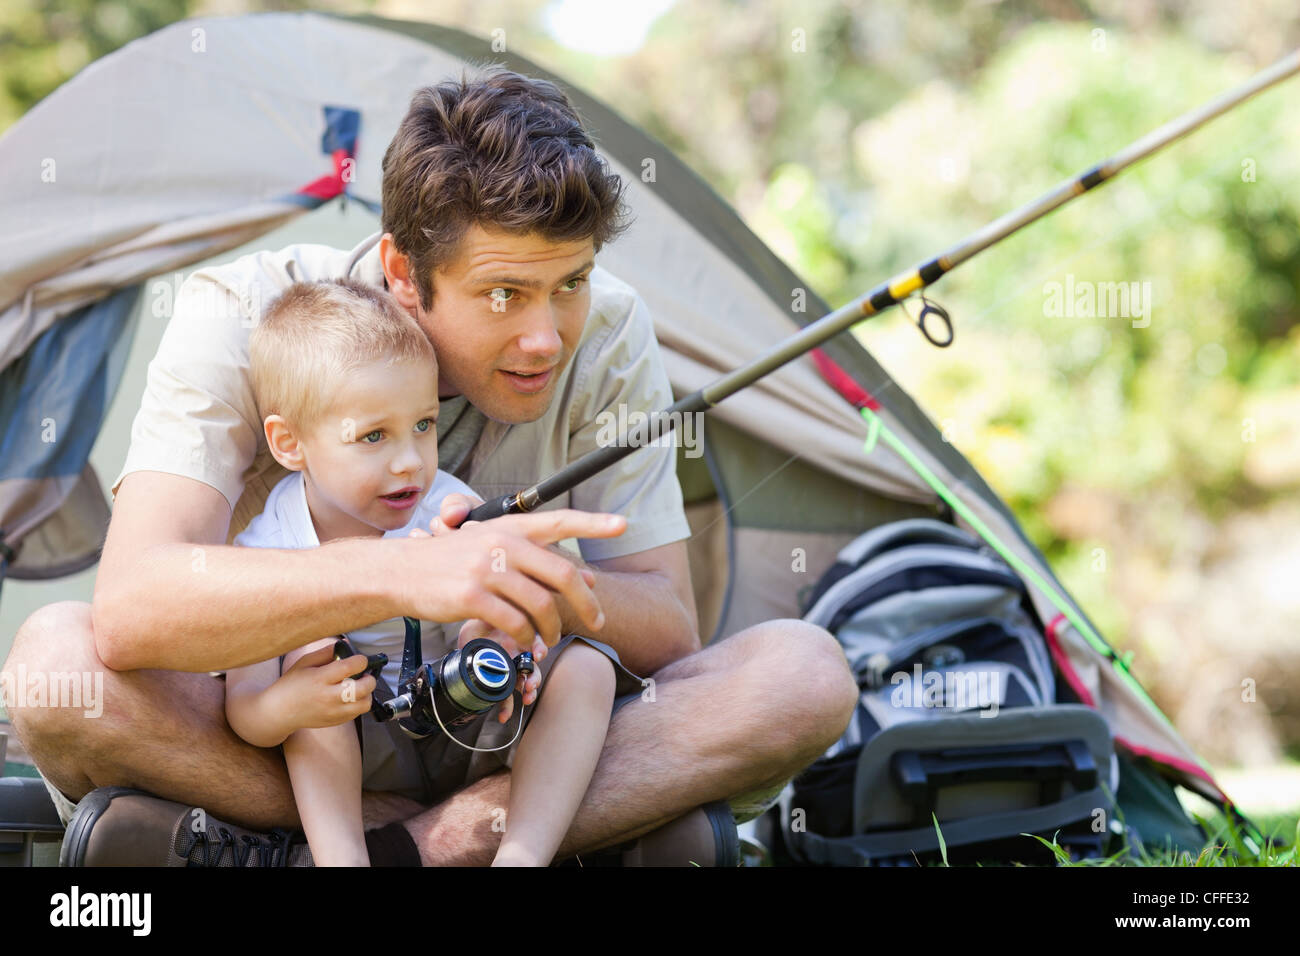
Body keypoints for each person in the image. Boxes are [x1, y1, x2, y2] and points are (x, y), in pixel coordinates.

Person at [4, 65, 859, 867]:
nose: (546, 336)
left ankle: (312, 849)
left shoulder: (608, 332)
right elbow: (130, 609)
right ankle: (476, 842)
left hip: (498, 725)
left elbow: (669, 626)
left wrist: (535, 588)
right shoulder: (241, 317)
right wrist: (404, 573)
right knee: (54, 670)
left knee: (804, 676)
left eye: (571, 282)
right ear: (402, 274)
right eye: (502, 294)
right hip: (291, 733)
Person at [224, 276, 623, 867]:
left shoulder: (448, 507)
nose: (410, 460)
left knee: (589, 666)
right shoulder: (268, 549)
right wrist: (290, 705)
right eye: (374, 436)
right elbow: (246, 709)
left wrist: (499, 648)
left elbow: (499, 621)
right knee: (313, 651)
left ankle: (524, 854)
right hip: (362, 745)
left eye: (423, 425)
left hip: (466, 727)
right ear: (290, 443)